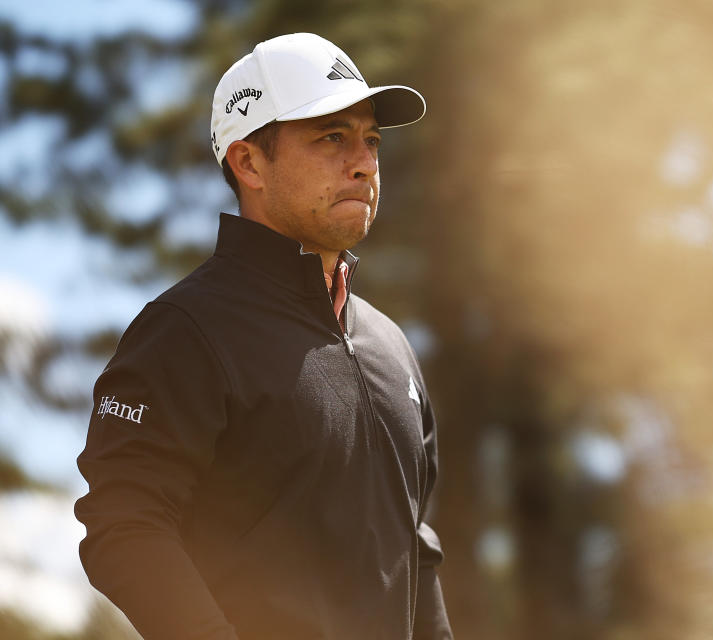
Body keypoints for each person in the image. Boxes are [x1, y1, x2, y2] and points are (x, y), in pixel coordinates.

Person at [75, 33, 452, 640]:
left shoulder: (392, 346)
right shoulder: (186, 330)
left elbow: (415, 548)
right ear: (249, 162)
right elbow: (124, 523)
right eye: (332, 137)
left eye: (371, 140)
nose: (363, 162)